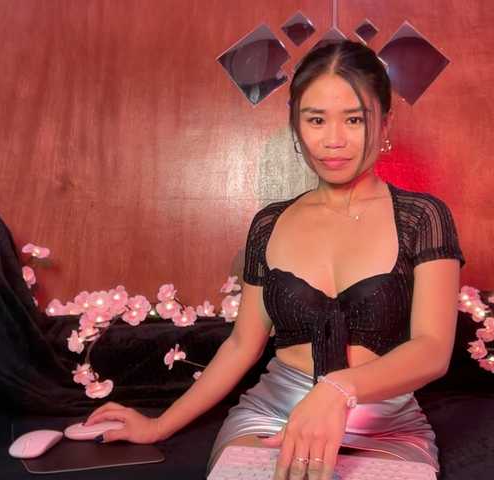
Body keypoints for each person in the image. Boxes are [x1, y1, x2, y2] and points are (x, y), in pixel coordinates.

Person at [84, 40, 464, 480]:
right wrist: (159, 425)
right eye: (316, 119)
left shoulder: (423, 217)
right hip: (272, 417)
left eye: (354, 119)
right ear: (295, 125)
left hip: (385, 425)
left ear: (384, 124)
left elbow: (432, 350)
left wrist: (338, 389)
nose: (334, 140)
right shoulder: (270, 223)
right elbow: (242, 345)